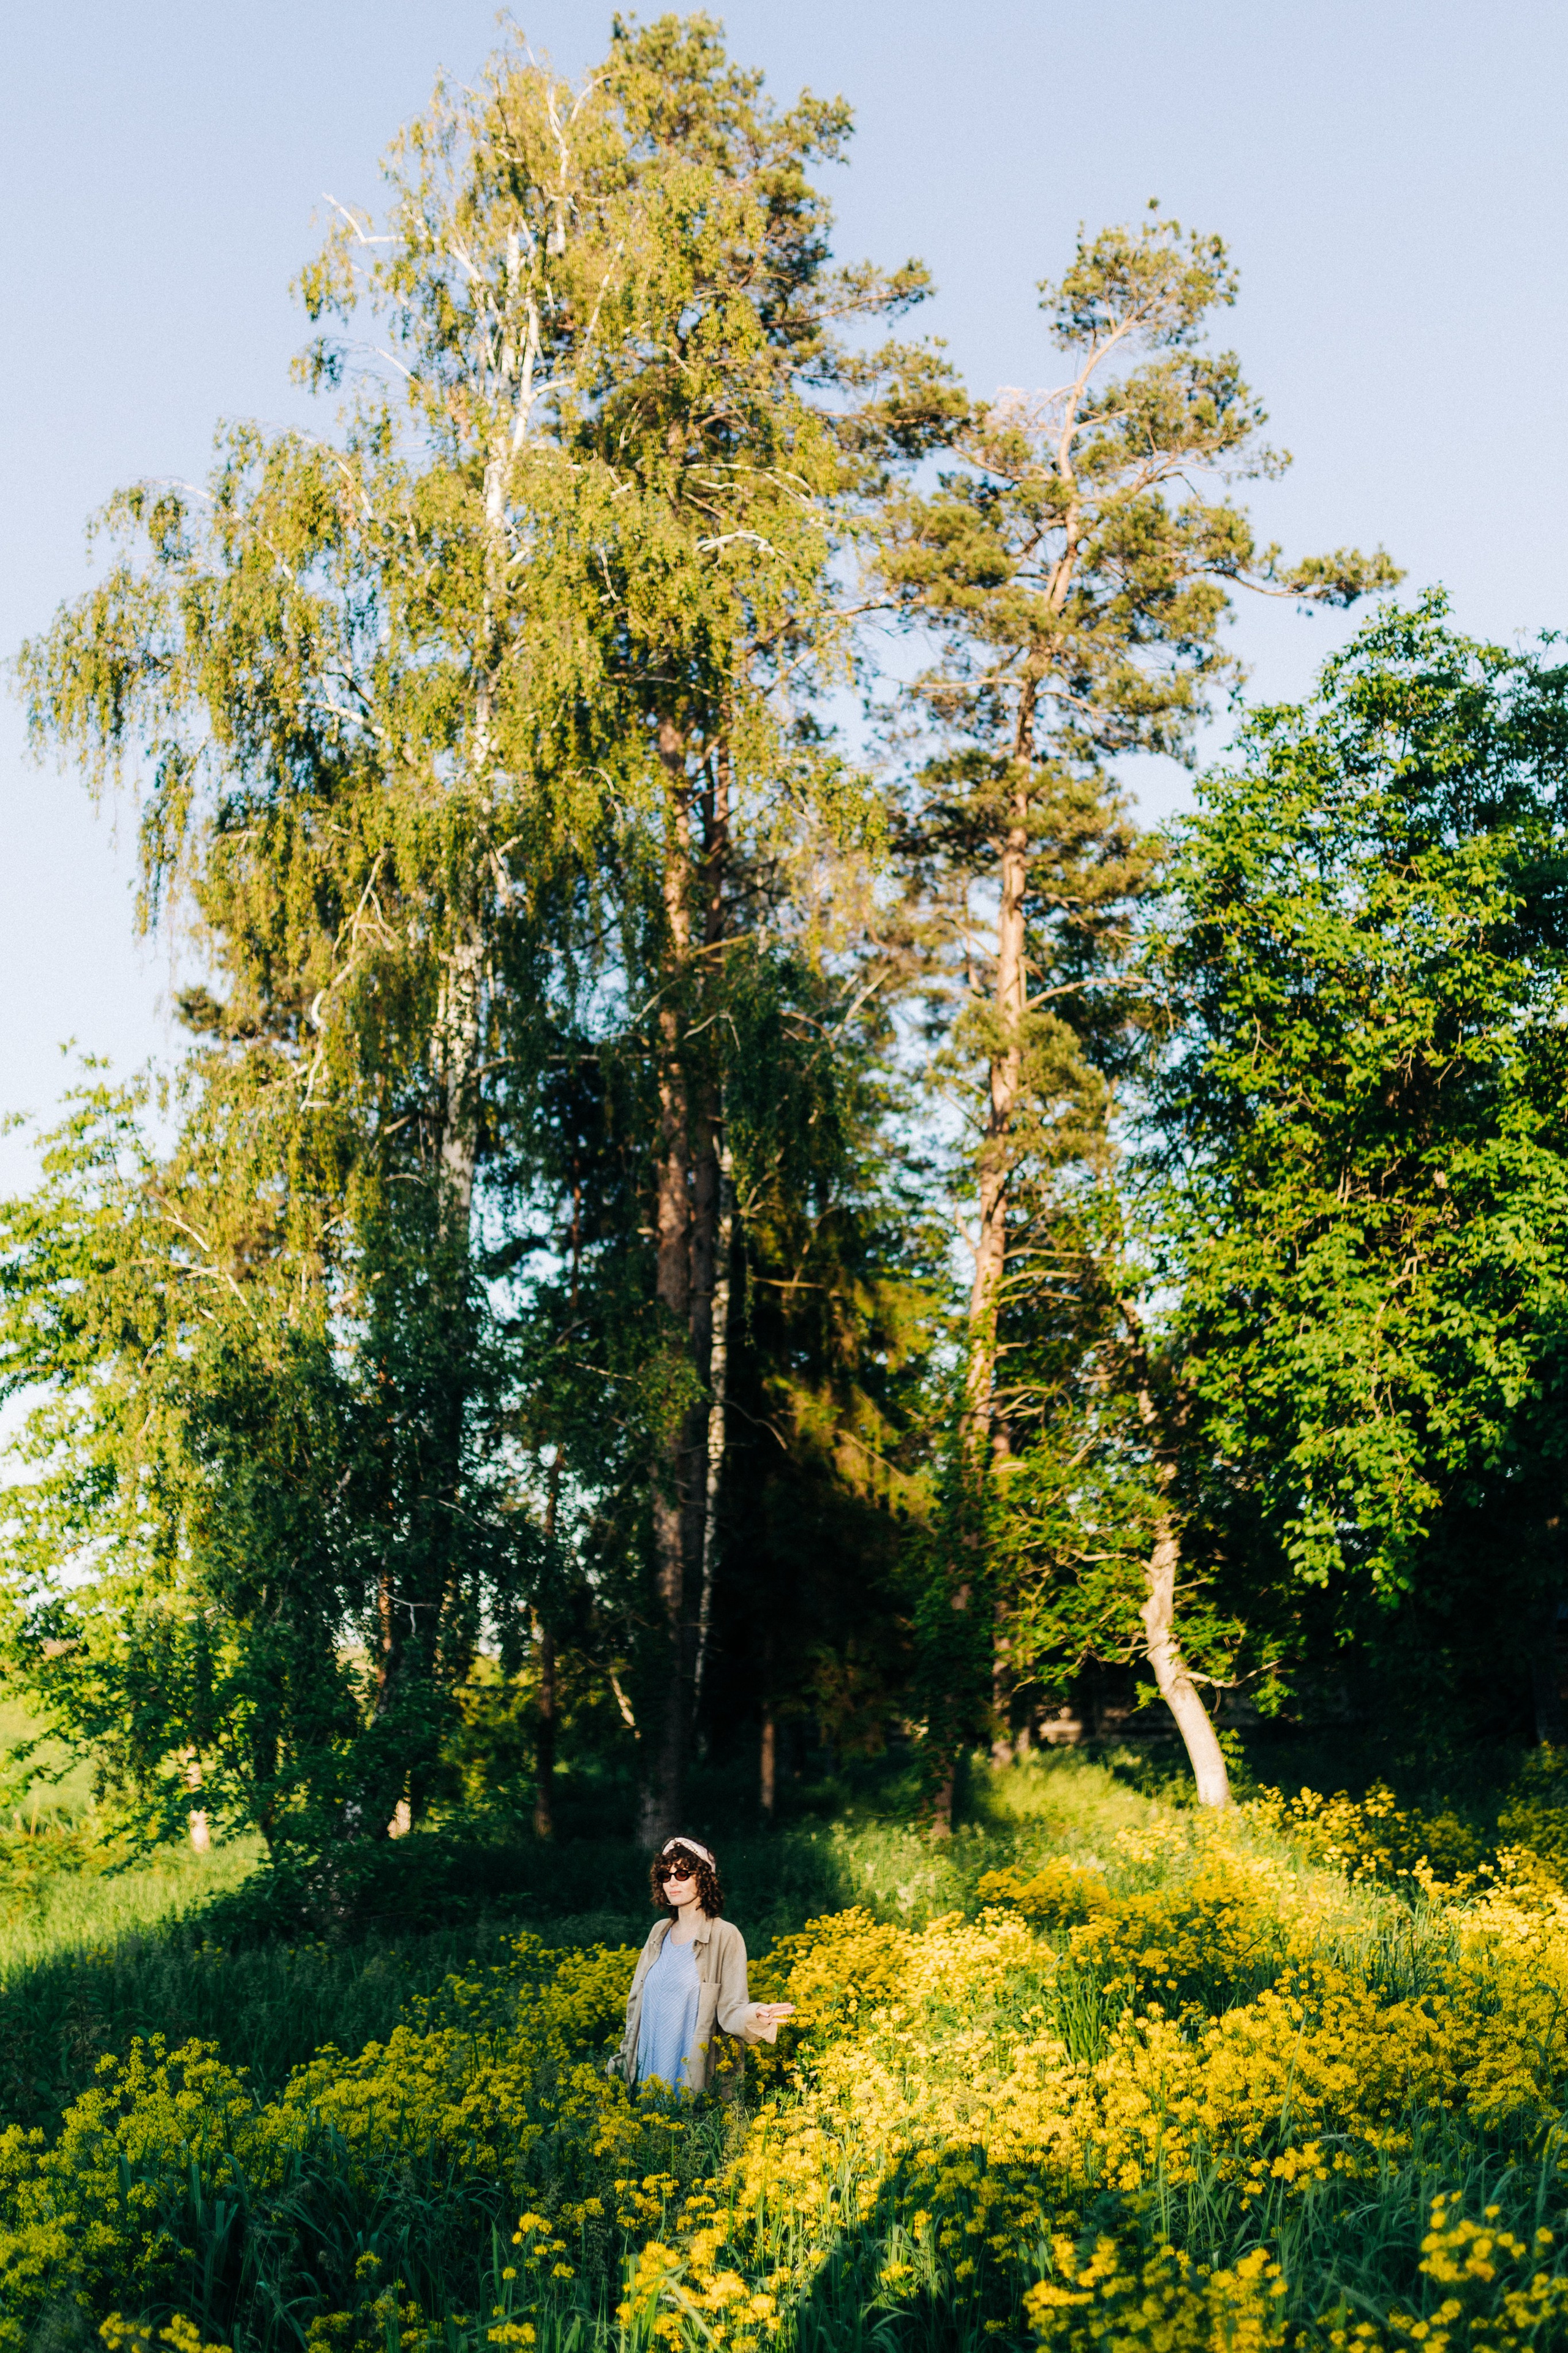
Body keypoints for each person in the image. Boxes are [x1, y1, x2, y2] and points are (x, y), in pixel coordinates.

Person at [612, 1836, 794, 2096]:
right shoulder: (658, 1932)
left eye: (683, 1873)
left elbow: (732, 2008)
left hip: (691, 2075)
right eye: (666, 1875)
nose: (673, 1882)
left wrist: (756, 2014)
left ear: (704, 1878)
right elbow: (636, 2007)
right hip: (646, 2069)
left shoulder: (725, 1935)